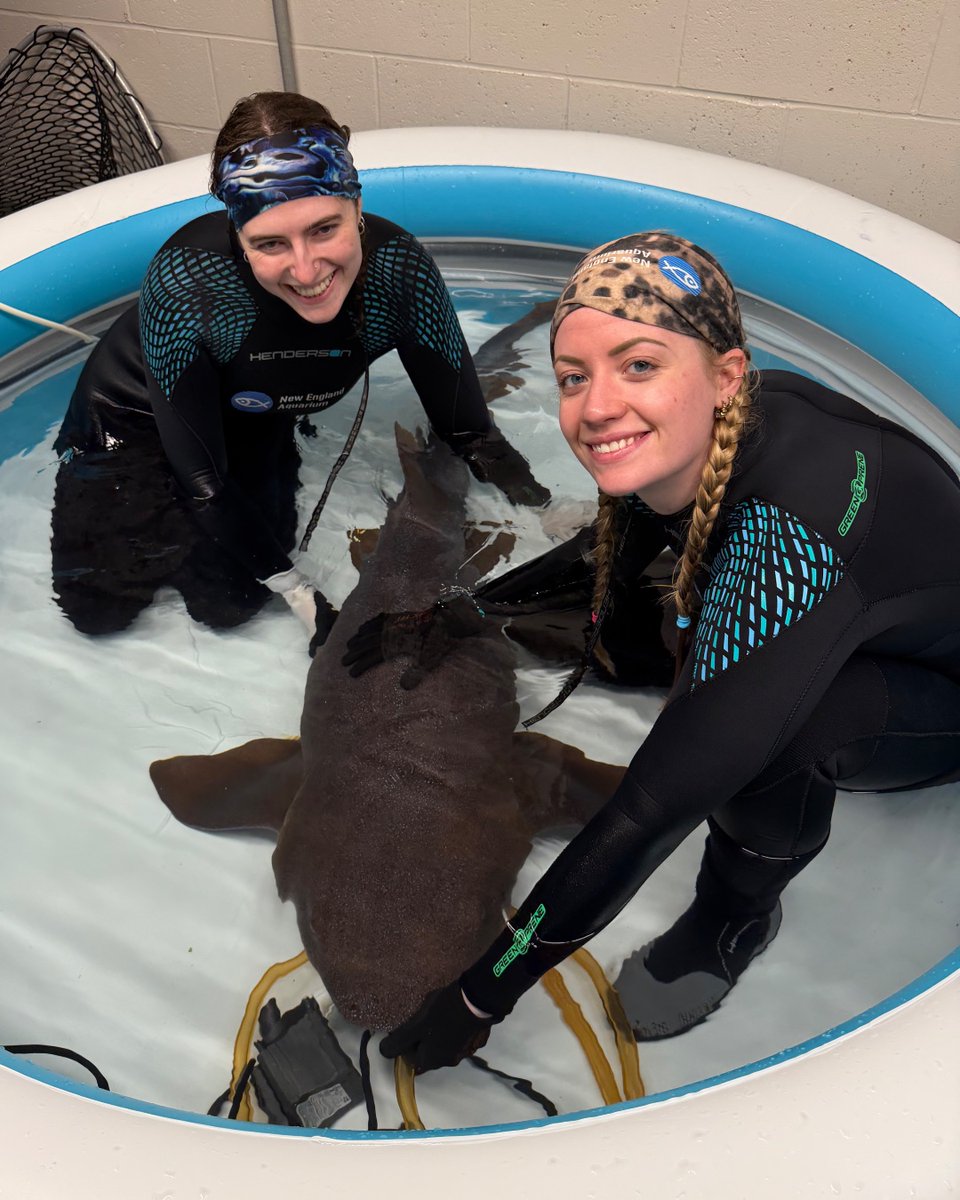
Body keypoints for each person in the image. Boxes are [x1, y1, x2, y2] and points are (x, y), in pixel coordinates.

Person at [343, 231, 960, 1070]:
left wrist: (480, 994)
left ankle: (734, 915)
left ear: (725, 374)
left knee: (781, 734)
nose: (596, 408)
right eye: (574, 377)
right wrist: (461, 616)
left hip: (941, 698)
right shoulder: (715, 426)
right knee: (641, 615)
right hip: (864, 602)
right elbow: (613, 542)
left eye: (639, 366)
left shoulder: (789, 542)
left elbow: (649, 809)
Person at [50, 91, 548, 644]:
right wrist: (299, 592)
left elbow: (466, 426)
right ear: (237, 236)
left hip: (255, 420)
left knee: (228, 607)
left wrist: (541, 505)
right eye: (269, 242)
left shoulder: (401, 273)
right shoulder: (189, 281)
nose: (307, 270)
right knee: (97, 616)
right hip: (129, 421)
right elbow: (203, 481)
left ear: (356, 207)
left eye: (323, 229)